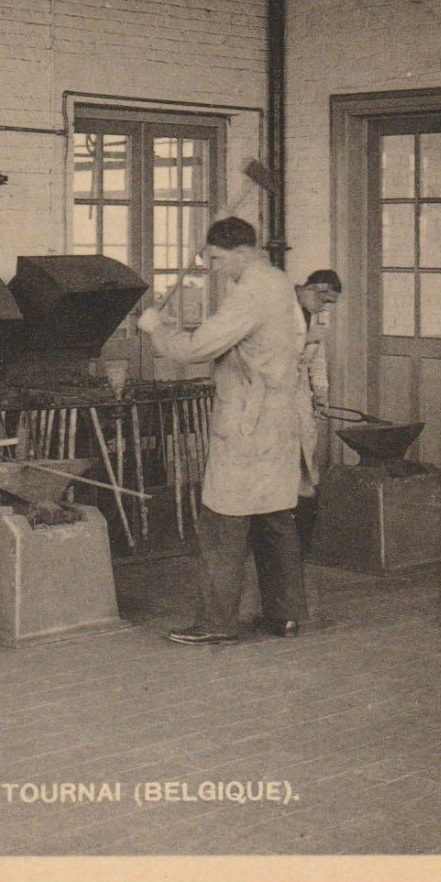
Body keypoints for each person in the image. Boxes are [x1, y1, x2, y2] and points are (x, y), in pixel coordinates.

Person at [137, 217, 307, 644]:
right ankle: (285, 616)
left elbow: (196, 350)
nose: (213, 268)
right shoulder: (280, 281)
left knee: (222, 524)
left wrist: (159, 329)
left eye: (215, 258)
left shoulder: (251, 291)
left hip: (248, 423)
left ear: (240, 251)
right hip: (278, 418)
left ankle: (216, 623)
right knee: (274, 517)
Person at [294, 269, 342, 545]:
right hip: (272, 393)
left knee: (307, 459)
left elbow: (317, 356)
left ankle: (303, 538)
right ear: (314, 289)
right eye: (324, 300)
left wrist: (320, 392)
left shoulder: (318, 316)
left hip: (299, 392)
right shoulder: (282, 308)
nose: (326, 308)